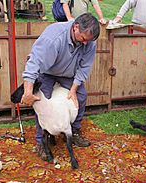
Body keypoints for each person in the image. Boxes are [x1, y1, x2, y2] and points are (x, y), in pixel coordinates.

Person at [21, 13, 100, 160]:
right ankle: (41, 141)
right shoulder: (53, 37)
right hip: (47, 72)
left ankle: (73, 131)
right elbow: (34, 62)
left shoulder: (89, 42)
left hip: (69, 74)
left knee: (81, 96)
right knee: (42, 102)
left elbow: (85, 67)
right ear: (75, 27)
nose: (85, 44)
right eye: (83, 39)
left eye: (88, 41)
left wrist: (74, 89)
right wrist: (28, 92)